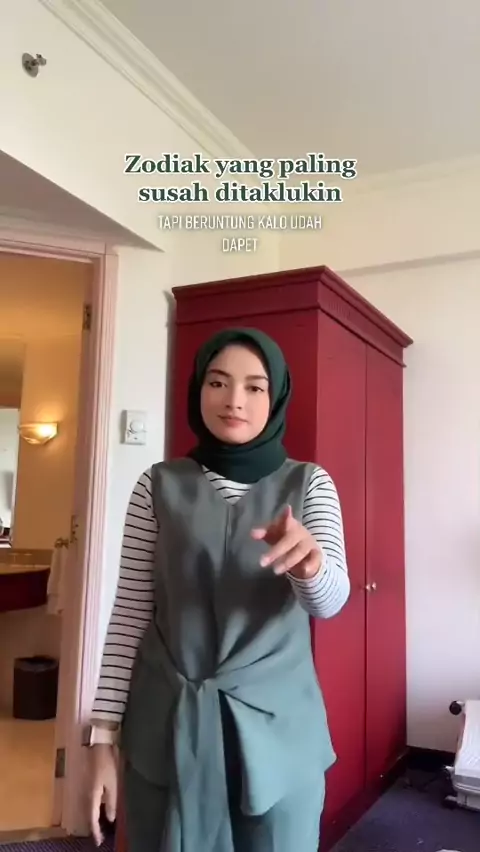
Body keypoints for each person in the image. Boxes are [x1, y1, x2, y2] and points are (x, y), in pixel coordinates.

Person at [88, 327, 350, 852]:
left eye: (254, 387)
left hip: (278, 736)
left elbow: (329, 602)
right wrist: (101, 738)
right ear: (198, 389)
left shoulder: (311, 483)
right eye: (218, 382)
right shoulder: (156, 485)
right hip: (167, 728)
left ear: (276, 397)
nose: (234, 400)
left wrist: (310, 567)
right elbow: (130, 614)